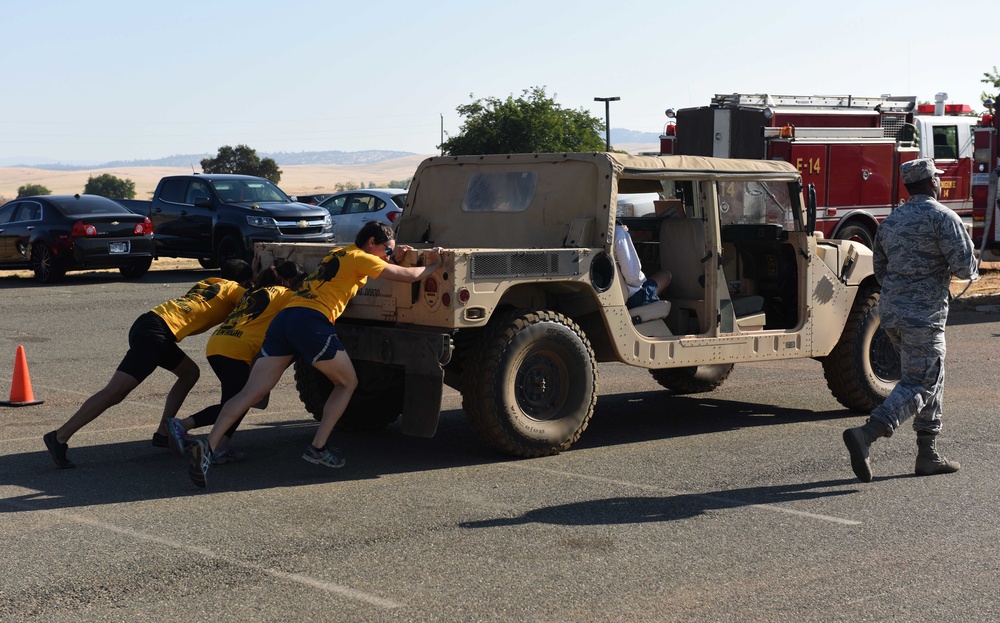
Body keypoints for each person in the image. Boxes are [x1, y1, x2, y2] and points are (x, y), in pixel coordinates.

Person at [186, 221, 443, 488]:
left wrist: (395, 254)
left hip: (286, 319)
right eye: (386, 251)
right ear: (371, 244)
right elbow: (410, 277)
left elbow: (376, 265)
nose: (388, 256)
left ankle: (209, 446)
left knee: (251, 393)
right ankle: (318, 447)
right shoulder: (366, 259)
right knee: (347, 383)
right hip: (311, 321)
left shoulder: (340, 253)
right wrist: (435, 263)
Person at [43, 260, 253, 469]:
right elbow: (254, 301)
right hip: (156, 334)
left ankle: (163, 432)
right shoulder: (235, 288)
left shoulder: (210, 282)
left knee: (189, 373)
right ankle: (60, 436)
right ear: (244, 281)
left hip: (150, 323)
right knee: (115, 392)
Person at [842, 158, 978, 483]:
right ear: (933, 182)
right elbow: (964, 268)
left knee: (931, 374)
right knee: (922, 382)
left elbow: (881, 270)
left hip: (891, 313)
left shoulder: (890, 221)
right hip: (923, 316)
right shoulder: (942, 218)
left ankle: (928, 454)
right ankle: (869, 433)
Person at [164, 260, 307, 463]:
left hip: (217, 344)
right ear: (290, 281)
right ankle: (183, 425)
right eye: (299, 282)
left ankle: (220, 447)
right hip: (237, 350)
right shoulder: (285, 294)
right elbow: (308, 304)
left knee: (235, 401)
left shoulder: (255, 292)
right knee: (238, 403)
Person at [614, 221, 671, 308]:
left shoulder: (591, 233)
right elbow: (633, 278)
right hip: (631, 298)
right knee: (666, 275)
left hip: (608, 295)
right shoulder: (618, 233)